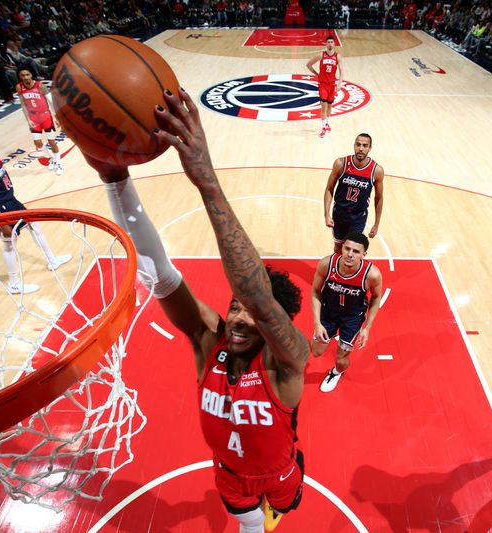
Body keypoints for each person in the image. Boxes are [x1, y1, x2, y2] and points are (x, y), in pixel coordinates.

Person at [84, 88, 310, 533]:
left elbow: (260, 300)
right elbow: (160, 275)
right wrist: (116, 182)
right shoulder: (211, 342)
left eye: (252, 313)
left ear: (275, 324)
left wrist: (207, 181)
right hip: (228, 473)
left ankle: (274, 509)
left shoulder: (288, 361)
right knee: (249, 527)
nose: (240, 317)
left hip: (279, 472)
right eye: (234, 307)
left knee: (282, 511)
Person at [0, 126, 71, 294]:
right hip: (1, 208)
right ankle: (14, 284)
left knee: (35, 227)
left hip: (12, 201)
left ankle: (52, 260)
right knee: (9, 245)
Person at [310, 232, 383, 393]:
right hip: (328, 312)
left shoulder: (372, 274)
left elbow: (376, 298)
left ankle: (336, 373)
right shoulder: (326, 264)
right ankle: (322, 333)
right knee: (316, 352)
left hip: (352, 318)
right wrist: (317, 323)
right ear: (341, 248)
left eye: (356, 251)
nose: (350, 254)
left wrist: (367, 328)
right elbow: (315, 291)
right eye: (347, 249)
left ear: (364, 254)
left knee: (341, 358)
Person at [323, 133, 384, 253]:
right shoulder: (341, 164)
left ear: (370, 148)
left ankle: (350, 271)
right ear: (354, 145)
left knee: (353, 249)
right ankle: (336, 270)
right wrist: (326, 214)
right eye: (358, 144)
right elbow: (329, 188)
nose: (361, 148)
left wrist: (376, 224)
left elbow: (379, 198)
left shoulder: (376, 170)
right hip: (339, 213)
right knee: (338, 247)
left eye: (365, 145)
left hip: (358, 217)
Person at [15, 67, 63, 175]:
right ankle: (52, 158)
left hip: (45, 116)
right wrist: (28, 120)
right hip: (33, 118)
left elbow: (51, 101)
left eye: (27, 74)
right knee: (38, 143)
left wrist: (56, 117)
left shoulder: (40, 85)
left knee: (52, 142)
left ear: (31, 75)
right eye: (23, 75)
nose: (25, 77)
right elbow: (23, 104)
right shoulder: (19, 87)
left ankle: (59, 163)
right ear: (20, 77)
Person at [306, 36, 343, 138]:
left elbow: (342, 71)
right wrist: (317, 74)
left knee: (330, 106)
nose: (330, 44)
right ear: (326, 44)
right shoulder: (320, 55)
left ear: (334, 44)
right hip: (322, 84)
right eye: (328, 42)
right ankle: (323, 128)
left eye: (332, 42)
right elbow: (308, 64)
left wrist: (339, 84)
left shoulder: (338, 57)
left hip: (332, 85)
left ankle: (326, 123)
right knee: (324, 106)